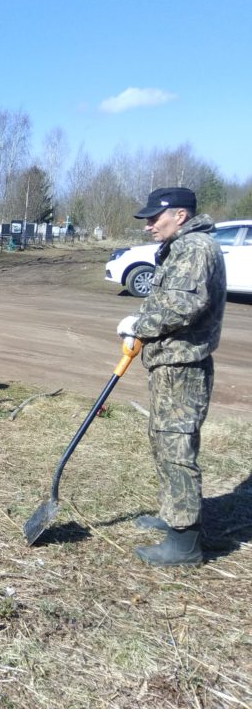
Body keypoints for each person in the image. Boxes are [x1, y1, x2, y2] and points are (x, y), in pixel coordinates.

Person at [116, 187, 226, 566]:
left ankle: (184, 544)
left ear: (179, 215)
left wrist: (139, 324)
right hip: (171, 364)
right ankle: (173, 514)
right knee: (164, 440)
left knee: (176, 447)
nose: (148, 225)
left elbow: (182, 304)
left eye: (154, 218)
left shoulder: (195, 248)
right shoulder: (184, 246)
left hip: (184, 367)